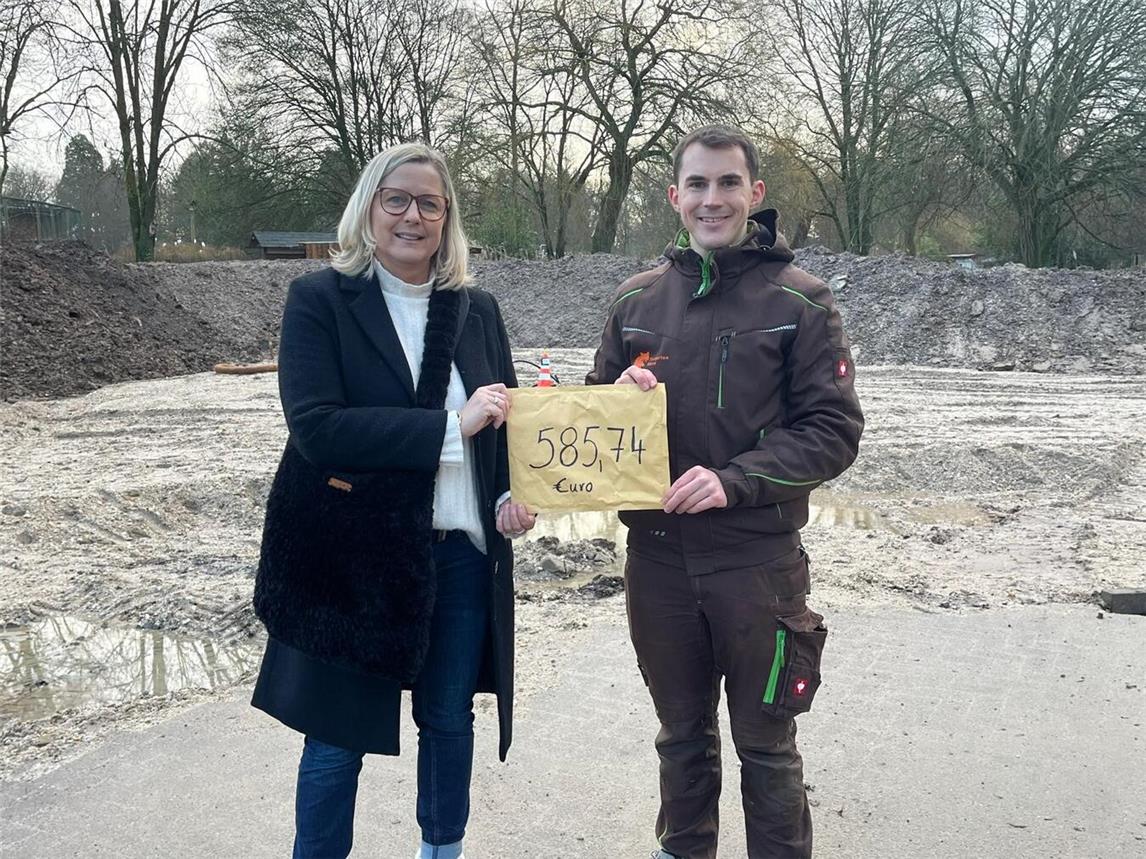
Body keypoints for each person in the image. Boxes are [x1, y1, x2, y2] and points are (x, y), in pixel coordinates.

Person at [250, 141, 536, 859]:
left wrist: (508, 493)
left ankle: (442, 851)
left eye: (429, 203)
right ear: (370, 207)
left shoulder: (474, 310)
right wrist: (448, 427)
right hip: (357, 561)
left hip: (460, 558)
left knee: (448, 719)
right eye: (397, 199)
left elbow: (502, 428)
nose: (413, 216)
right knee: (337, 735)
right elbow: (317, 428)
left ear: (448, 219)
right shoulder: (321, 300)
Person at [586, 125, 864, 858]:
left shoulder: (802, 302)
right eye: (698, 185)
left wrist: (734, 481)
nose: (713, 199)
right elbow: (585, 425)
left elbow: (833, 430)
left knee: (766, 747)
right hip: (658, 563)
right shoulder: (635, 301)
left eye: (728, 183)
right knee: (680, 739)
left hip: (757, 566)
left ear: (755, 194)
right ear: (675, 197)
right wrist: (615, 397)